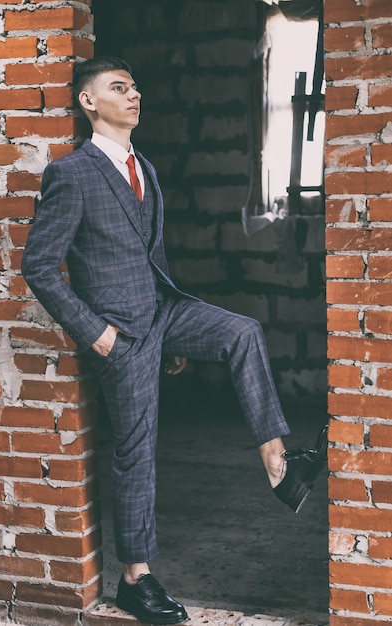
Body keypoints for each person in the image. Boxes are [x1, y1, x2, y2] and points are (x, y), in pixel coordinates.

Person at [22, 56, 327, 625]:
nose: (134, 94)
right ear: (89, 102)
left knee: (242, 332)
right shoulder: (72, 173)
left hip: (164, 312)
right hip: (122, 335)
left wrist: (174, 333)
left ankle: (281, 465)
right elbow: (38, 268)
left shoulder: (148, 169)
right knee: (137, 452)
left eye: (136, 86)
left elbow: (152, 258)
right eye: (118, 87)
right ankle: (136, 580)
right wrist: (99, 335)